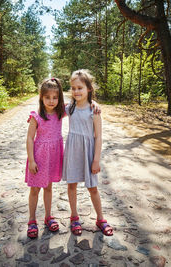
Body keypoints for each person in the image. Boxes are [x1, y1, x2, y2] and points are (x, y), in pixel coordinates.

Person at [62, 69, 113, 236]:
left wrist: (96, 160)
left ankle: (100, 218)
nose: (76, 91)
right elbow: (50, 108)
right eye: (73, 88)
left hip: (89, 152)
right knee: (72, 185)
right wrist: (35, 115)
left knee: (93, 187)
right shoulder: (69, 108)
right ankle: (74, 217)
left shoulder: (94, 110)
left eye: (80, 88)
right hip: (73, 151)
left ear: (89, 89)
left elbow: (98, 137)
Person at [25, 78, 65, 238]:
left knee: (49, 187)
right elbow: (29, 138)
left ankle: (48, 216)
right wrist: (32, 160)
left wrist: (94, 105)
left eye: (55, 97)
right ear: (41, 97)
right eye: (47, 97)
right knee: (35, 189)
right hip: (39, 157)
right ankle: (32, 219)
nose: (51, 101)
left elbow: (79, 105)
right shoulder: (36, 117)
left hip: (53, 158)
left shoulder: (60, 113)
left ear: (59, 98)